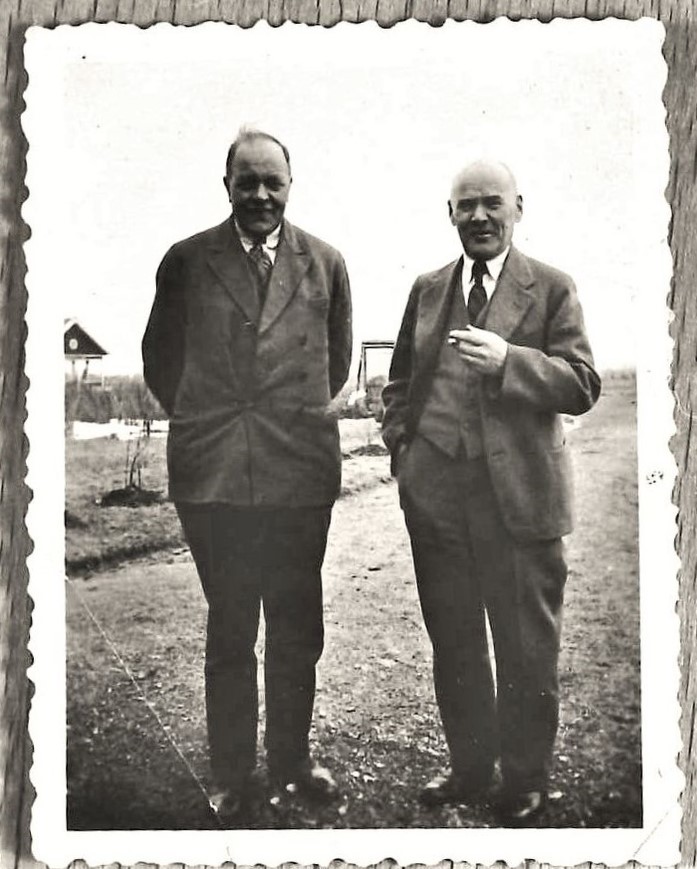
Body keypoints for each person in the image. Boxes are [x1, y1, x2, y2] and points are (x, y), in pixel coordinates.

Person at [381, 159, 600, 825]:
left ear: (517, 207)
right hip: (437, 498)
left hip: (520, 498)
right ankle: (470, 767)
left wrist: (511, 361)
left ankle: (525, 778)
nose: (479, 215)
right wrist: (403, 450)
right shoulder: (427, 289)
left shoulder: (551, 287)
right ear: (449, 213)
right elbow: (400, 380)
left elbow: (583, 383)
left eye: (491, 203)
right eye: (466, 204)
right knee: (455, 640)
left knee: (526, 644)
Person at [142, 128, 352, 821]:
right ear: (226, 184)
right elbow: (160, 362)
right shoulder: (186, 260)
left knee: (296, 623)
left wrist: (285, 420)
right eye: (247, 181)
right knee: (231, 623)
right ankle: (231, 773)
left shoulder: (326, 262)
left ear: (291, 186)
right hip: (216, 475)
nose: (260, 194)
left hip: (298, 471)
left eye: (273, 182)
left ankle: (292, 762)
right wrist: (212, 422)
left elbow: (336, 361)